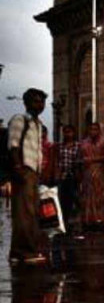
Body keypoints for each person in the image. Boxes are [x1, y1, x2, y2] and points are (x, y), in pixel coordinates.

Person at [6, 88, 50, 264]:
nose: (39, 105)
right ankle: (26, 252)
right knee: (26, 212)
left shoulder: (37, 124)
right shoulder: (20, 119)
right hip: (24, 169)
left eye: (42, 102)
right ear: (26, 103)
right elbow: (13, 145)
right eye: (36, 101)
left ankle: (17, 252)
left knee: (28, 212)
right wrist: (18, 168)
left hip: (33, 171)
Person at [80, 122, 104, 228]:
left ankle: (102, 219)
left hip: (100, 171)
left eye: (95, 129)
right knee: (88, 195)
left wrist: (92, 159)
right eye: (91, 129)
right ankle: (89, 219)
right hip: (88, 172)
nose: (93, 131)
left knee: (101, 195)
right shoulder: (84, 142)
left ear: (99, 130)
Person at [54, 124, 83, 231]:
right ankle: (64, 221)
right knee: (63, 200)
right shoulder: (60, 146)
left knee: (74, 198)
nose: (67, 134)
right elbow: (57, 160)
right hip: (62, 176)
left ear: (73, 133)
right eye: (65, 132)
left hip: (73, 175)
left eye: (69, 132)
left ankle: (75, 219)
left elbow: (80, 161)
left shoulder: (77, 146)